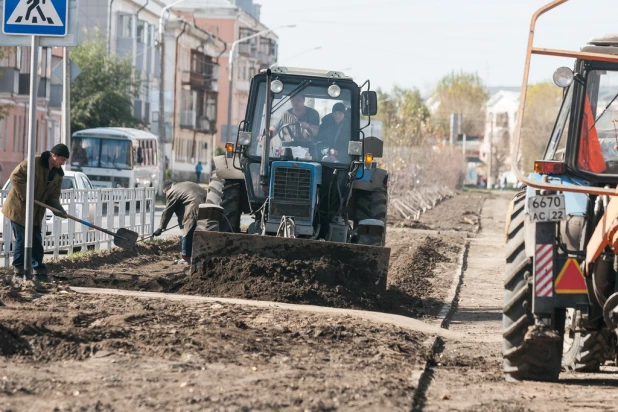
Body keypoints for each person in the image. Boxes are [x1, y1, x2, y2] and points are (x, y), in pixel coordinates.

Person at [1, 144, 69, 280]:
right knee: (23, 239)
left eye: (64, 160)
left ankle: (39, 272)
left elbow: (53, 197)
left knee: (36, 240)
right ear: (53, 155)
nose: (62, 163)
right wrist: (27, 195)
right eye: (61, 159)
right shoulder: (33, 162)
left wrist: (59, 210)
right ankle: (19, 272)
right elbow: (15, 177)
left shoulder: (58, 175)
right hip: (18, 207)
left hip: (36, 212)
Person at [152, 180, 207, 265]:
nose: (166, 195)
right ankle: (201, 256)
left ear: (166, 190)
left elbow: (168, 211)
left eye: (165, 193)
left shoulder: (172, 191)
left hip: (194, 206)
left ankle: (186, 258)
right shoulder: (186, 184)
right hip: (208, 204)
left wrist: (161, 227)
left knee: (187, 230)